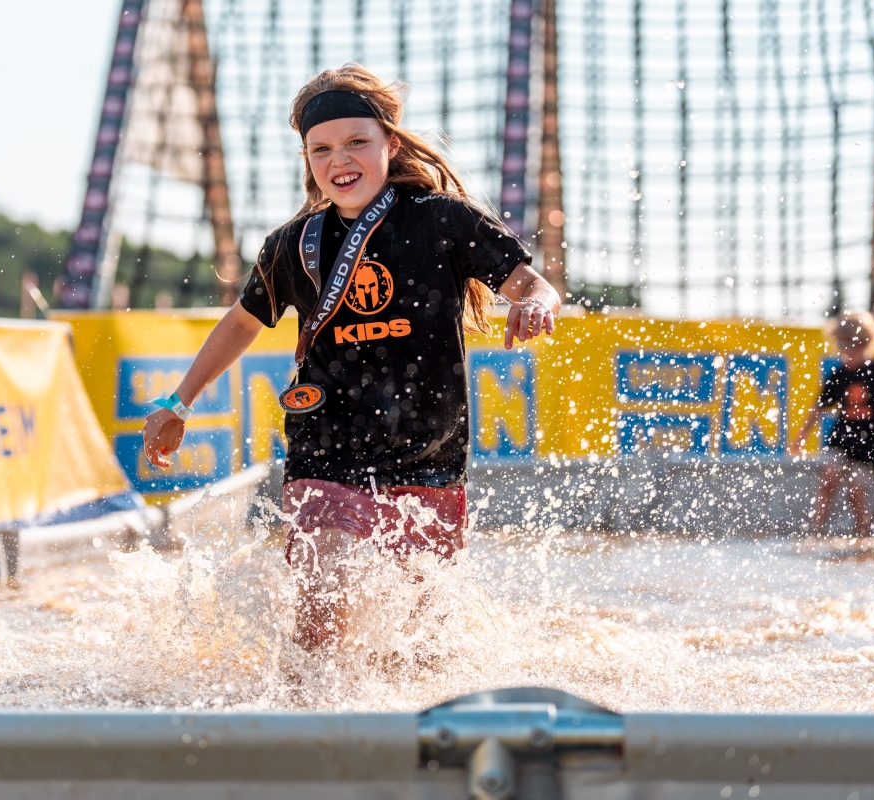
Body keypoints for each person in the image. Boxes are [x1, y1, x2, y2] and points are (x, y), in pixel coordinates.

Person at [140, 65, 561, 652]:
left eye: (357, 141)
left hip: (430, 456)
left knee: (418, 649)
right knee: (319, 621)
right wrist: (178, 403)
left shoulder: (443, 220)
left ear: (392, 144)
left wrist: (536, 304)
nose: (340, 159)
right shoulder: (293, 243)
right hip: (325, 447)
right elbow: (241, 322)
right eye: (322, 149)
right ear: (308, 159)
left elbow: (534, 285)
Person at [790, 311, 874, 537]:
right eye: (842, 345)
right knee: (828, 479)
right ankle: (817, 532)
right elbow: (818, 407)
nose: (846, 351)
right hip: (842, 438)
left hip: (871, 443)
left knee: (855, 491)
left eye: (852, 346)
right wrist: (801, 436)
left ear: (867, 343)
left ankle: (863, 535)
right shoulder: (839, 374)